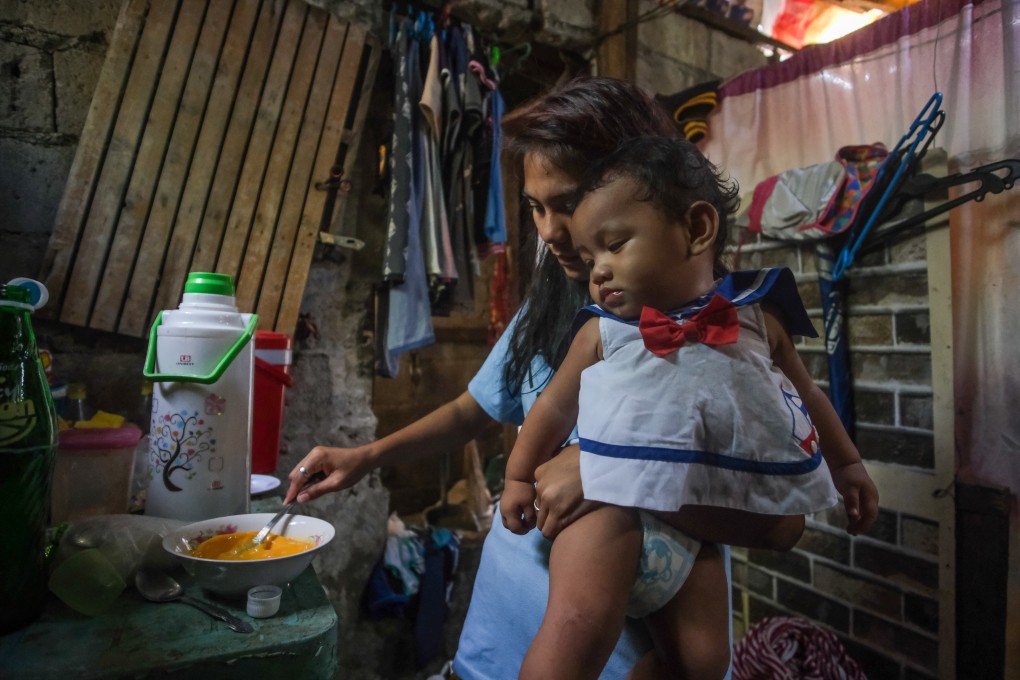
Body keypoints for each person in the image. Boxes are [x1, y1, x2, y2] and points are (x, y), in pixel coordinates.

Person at [285, 76, 879, 679]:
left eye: (565, 203)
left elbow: (781, 522)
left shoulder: (730, 331)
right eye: (535, 207)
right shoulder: (565, 316)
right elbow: (472, 409)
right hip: (488, 652)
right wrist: (366, 456)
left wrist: (603, 473)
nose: (547, 230)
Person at [500, 136, 869, 679]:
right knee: (574, 633)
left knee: (704, 663)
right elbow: (555, 407)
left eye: (615, 245)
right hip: (602, 517)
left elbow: (807, 397)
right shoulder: (604, 331)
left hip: (693, 533)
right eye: (591, 257)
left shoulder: (756, 319)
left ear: (697, 229)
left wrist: (847, 463)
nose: (598, 271)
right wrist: (516, 476)